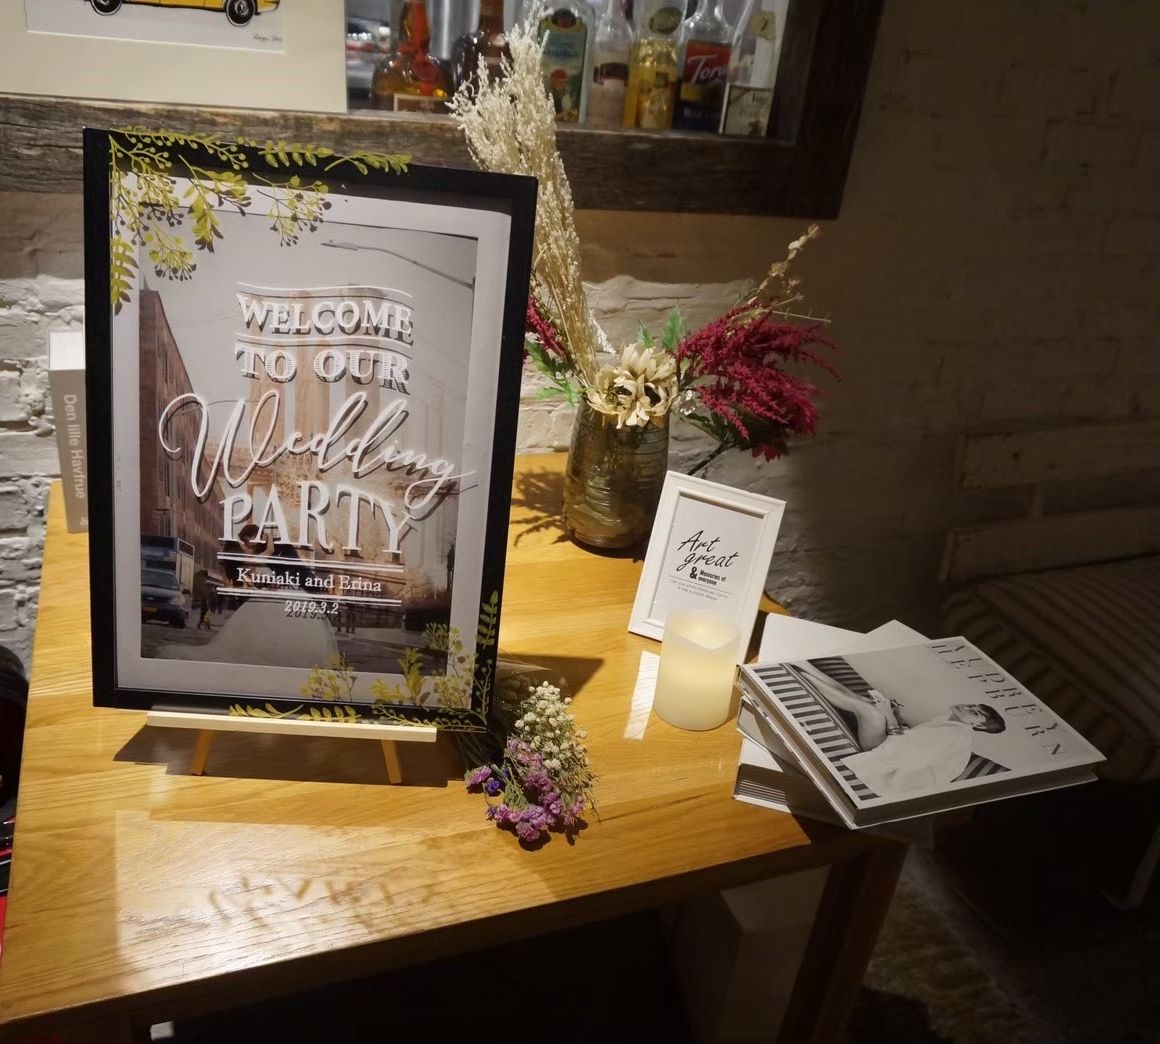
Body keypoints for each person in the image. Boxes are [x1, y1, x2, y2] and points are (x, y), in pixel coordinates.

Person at [795, 663, 1006, 797]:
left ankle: (802, 678)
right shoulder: (950, 723)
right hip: (895, 754)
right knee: (867, 701)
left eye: (975, 712)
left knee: (870, 711)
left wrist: (887, 714)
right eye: (972, 705)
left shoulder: (956, 735)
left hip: (891, 773)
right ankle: (804, 667)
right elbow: (911, 739)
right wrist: (895, 714)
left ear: (977, 726)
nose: (967, 707)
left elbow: (905, 754)